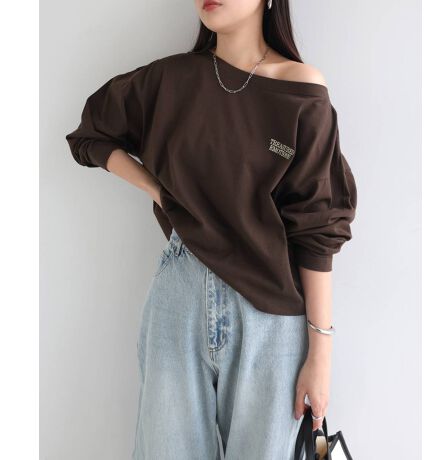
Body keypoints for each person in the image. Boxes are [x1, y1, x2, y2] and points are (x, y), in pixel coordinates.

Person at [65, 0, 358, 458]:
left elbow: (317, 228)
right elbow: (89, 134)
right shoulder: (169, 81)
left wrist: (320, 355)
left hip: (270, 318)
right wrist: (158, 190)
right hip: (177, 301)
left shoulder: (301, 91)